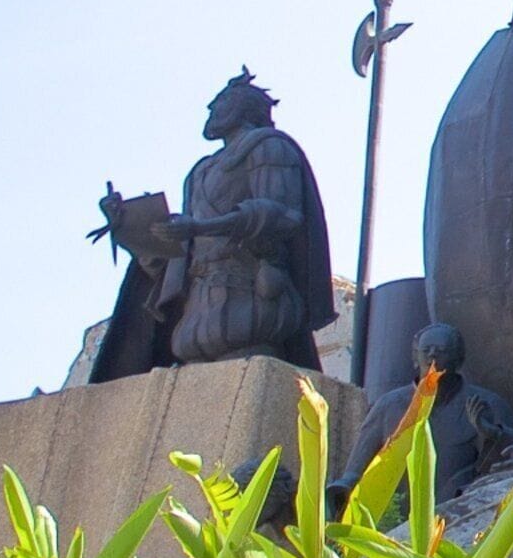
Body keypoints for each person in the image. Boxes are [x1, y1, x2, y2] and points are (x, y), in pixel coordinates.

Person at [90, 70, 337, 380]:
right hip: (195, 321)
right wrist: (130, 228)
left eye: (222, 100)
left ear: (243, 106)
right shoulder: (200, 171)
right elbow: (174, 262)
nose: (210, 107)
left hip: (250, 309)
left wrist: (200, 227)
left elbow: (280, 214)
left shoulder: (269, 147)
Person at [337, 322, 513, 510]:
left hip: (463, 517)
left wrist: (492, 435)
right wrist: (338, 495)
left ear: (458, 359)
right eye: (426, 350)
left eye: (441, 350)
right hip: (397, 522)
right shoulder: (388, 406)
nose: (432, 355)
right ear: (415, 358)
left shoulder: (487, 404)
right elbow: (355, 473)